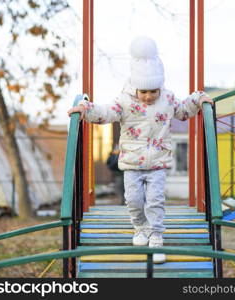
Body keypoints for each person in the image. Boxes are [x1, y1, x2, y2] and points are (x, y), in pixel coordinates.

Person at [67, 36, 213, 263]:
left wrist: (198, 98)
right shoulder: (125, 101)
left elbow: (184, 111)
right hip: (132, 163)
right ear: (135, 86)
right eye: (143, 91)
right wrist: (85, 108)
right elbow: (106, 112)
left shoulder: (167, 99)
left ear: (160, 86)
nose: (148, 96)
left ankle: (156, 236)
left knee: (155, 200)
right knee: (133, 200)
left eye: (153, 91)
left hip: (157, 162)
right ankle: (140, 228)